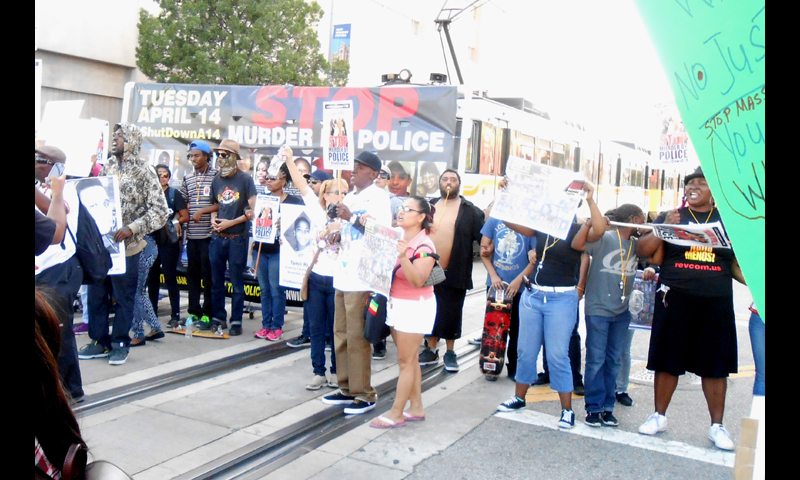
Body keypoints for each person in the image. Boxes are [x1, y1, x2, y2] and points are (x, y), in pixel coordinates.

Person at [635, 167, 746, 451]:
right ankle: (659, 416)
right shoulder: (672, 216)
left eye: (701, 182)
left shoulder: (728, 221)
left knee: (715, 366)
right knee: (667, 361)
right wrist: (663, 227)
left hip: (715, 302)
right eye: (690, 183)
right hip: (675, 299)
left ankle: (717, 426)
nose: (693, 186)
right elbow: (642, 251)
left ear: (714, 191)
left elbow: (735, 263)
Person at [495, 184, 589, 430]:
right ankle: (519, 398)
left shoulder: (578, 230)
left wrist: (592, 199)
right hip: (533, 296)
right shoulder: (542, 226)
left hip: (561, 299)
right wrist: (508, 192)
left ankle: (567, 411)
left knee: (557, 354)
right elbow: (508, 219)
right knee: (525, 350)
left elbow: (590, 243)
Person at [78, 123, 169, 366]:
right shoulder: (106, 167)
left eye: (120, 136)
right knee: (97, 294)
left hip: (128, 248)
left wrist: (133, 227)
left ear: (131, 140)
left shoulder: (144, 170)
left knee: (124, 296)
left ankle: (120, 342)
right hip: (102, 246)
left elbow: (161, 211)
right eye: (114, 135)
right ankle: (99, 341)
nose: (115, 139)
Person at [321, 151, 392, 415]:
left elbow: (381, 235)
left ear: (374, 174)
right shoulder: (349, 196)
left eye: (361, 168)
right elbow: (347, 230)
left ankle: (364, 392)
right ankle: (346, 386)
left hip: (363, 277)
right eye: (354, 167)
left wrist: (351, 217)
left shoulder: (380, 198)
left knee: (357, 336)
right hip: (343, 272)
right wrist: (337, 236)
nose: (354, 171)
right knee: (339, 334)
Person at [572, 201, 645, 427]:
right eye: (642, 218)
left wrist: (649, 269)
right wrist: (588, 225)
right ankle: (593, 408)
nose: (645, 222)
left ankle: (608, 407)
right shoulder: (605, 238)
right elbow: (579, 246)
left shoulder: (637, 245)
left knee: (614, 359)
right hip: (598, 309)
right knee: (596, 359)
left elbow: (652, 262)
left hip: (622, 312)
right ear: (633, 219)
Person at [369, 196, 437, 428]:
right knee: (410, 360)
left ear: (420, 217)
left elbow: (418, 280)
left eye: (407, 209)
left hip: (415, 306)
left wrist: (402, 257)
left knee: (406, 361)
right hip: (396, 303)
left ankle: (397, 412)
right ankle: (415, 407)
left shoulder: (425, 246)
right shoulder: (398, 236)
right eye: (400, 208)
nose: (401, 212)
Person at [284, 146, 344, 389]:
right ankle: (319, 372)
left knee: (337, 331)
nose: (339, 197)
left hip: (339, 281)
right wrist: (289, 159)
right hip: (317, 279)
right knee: (317, 328)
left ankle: (337, 372)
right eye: (335, 192)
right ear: (326, 194)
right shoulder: (317, 212)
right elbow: (301, 184)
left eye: (344, 193)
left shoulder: (352, 218)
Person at [419, 169, 484, 372]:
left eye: (453, 179)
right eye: (445, 179)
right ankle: (430, 348)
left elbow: (483, 237)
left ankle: (449, 351)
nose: (449, 182)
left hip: (455, 270)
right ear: (439, 183)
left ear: (459, 184)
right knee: (429, 311)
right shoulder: (429, 207)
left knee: (451, 312)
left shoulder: (470, 210)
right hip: (427, 271)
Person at [35, 147, 84, 401]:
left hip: (60, 269)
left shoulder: (67, 192)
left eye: (38, 161)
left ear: (54, 167)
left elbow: (55, 219)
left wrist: (55, 190)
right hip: (40, 270)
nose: (34, 164)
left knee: (58, 330)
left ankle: (70, 389)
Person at [474, 217, 537, 381]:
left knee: (517, 328)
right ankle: (491, 365)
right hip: (496, 286)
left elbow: (534, 259)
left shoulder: (530, 222)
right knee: (494, 328)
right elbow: (484, 252)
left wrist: (518, 281)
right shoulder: (494, 220)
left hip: (519, 286)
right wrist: (493, 277)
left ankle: (514, 367)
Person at [208, 139, 258, 336]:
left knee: (237, 282)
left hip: (237, 237)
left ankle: (236, 319)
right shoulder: (216, 179)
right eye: (218, 154)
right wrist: (213, 220)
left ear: (234, 157)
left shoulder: (245, 180)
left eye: (224, 154)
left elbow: (253, 210)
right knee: (216, 281)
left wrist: (230, 223)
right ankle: (218, 316)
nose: (220, 158)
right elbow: (214, 204)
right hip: (218, 237)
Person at [252, 162, 302, 341]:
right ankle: (266, 325)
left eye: (274, 178)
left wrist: (284, 227)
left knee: (276, 289)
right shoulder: (262, 199)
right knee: (264, 289)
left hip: (279, 251)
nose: (269, 181)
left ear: (284, 180)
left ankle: (277, 326)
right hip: (260, 249)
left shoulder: (293, 201)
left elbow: (300, 227)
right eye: (268, 178)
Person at [180, 140, 217, 331]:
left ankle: (208, 313)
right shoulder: (187, 178)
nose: (193, 159)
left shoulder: (216, 176)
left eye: (196, 155)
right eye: (191, 156)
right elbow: (182, 204)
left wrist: (202, 211)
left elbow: (222, 204)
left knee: (208, 277)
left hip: (209, 236)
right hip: (191, 236)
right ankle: (193, 311)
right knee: (192, 275)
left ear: (206, 156)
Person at [148, 165, 189, 329]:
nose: (162, 178)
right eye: (159, 175)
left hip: (169, 241)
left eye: (165, 175)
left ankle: (175, 315)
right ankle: (152, 314)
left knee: (171, 277)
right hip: (152, 240)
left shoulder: (174, 194)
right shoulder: (149, 194)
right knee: (152, 278)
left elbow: (185, 215)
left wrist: (174, 222)